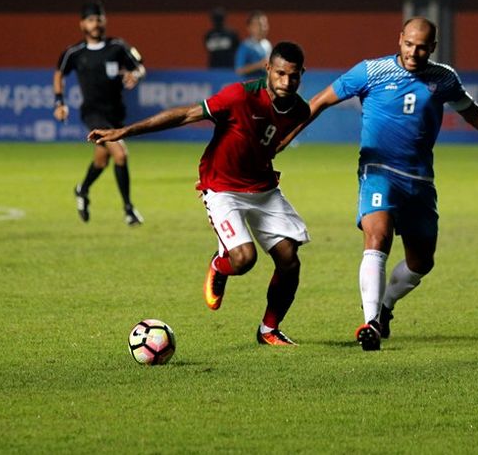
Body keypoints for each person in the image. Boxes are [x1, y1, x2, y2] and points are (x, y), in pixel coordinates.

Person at [280, 17, 478, 351]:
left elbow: (472, 113)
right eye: (408, 44)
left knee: (422, 262)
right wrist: (284, 138)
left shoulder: (444, 78)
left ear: (432, 47)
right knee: (377, 236)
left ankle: (386, 306)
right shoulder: (370, 71)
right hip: (378, 170)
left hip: (419, 180)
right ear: (400, 38)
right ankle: (370, 321)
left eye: (422, 47)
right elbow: (319, 101)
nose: (414, 52)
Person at [88, 42, 311, 346]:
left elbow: (276, 140)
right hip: (222, 188)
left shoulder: (299, 109)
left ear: (302, 75)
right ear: (268, 69)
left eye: (294, 76)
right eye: (281, 74)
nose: (286, 82)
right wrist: (124, 132)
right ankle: (220, 265)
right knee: (244, 259)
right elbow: (185, 115)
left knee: (289, 260)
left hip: (262, 188)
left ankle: (268, 330)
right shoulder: (238, 96)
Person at [53, 0, 146, 226]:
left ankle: (82, 190)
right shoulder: (74, 52)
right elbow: (59, 75)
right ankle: (129, 210)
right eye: (91, 20)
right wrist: (59, 103)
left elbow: (140, 65)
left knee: (101, 161)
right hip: (93, 114)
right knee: (121, 155)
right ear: (82, 24)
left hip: (115, 114)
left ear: (105, 21)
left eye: (99, 19)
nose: (96, 24)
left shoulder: (118, 46)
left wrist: (136, 74)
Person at [234, 10, 272, 79]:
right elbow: (239, 70)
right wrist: (259, 65)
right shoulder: (245, 46)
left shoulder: (267, 44)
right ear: (250, 27)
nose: (263, 28)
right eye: (259, 25)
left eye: (265, 24)